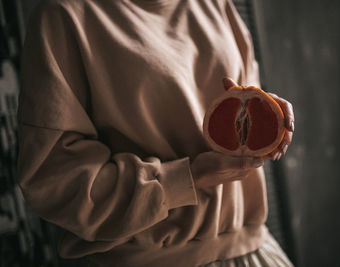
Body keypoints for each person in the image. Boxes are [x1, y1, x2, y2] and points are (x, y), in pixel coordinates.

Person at [17, 0, 295, 266]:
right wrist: (186, 178)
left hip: (254, 250)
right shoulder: (63, 17)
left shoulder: (217, 5)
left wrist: (267, 115)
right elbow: (54, 183)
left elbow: (241, 99)